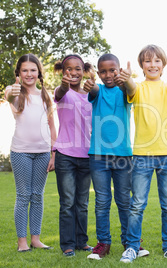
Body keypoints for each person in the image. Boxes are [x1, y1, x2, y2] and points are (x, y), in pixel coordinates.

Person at [117, 44, 167, 263]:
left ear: (163, 65)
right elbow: (129, 88)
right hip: (142, 155)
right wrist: (127, 78)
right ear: (142, 66)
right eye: (148, 61)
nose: (153, 64)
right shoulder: (138, 88)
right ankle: (132, 246)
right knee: (138, 203)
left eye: (157, 60)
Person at [83, 54, 149, 260]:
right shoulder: (98, 91)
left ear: (119, 70)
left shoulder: (125, 91)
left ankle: (131, 244)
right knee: (102, 201)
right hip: (99, 156)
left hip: (123, 156)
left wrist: (127, 79)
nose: (108, 74)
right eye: (103, 71)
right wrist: (90, 83)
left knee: (124, 201)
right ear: (99, 73)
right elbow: (92, 89)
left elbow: (131, 90)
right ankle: (103, 243)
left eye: (113, 70)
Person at [5, 53, 56, 252]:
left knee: (37, 196)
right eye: (24, 70)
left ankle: (36, 239)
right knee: (23, 195)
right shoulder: (15, 91)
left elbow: (52, 127)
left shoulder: (45, 95)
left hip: (43, 152)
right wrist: (12, 93)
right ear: (18, 73)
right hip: (21, 152)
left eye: (33, 70)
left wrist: (54, 153)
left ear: (39, 72)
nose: (29, 74)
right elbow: (10, 97)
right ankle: (22, 242)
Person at [53, 54, 94, 257]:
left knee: (82, 203)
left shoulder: (90, 95)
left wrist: (94, 86)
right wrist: (64, 85)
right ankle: (67, 244)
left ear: (83, 70)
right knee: (67, 202)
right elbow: (60, 92)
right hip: (65, 156)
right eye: (69, 69)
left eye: (78, 68)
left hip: (87, 156)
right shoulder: (61, 92)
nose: (74, 72)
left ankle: (82, 242)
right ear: (63, 71)